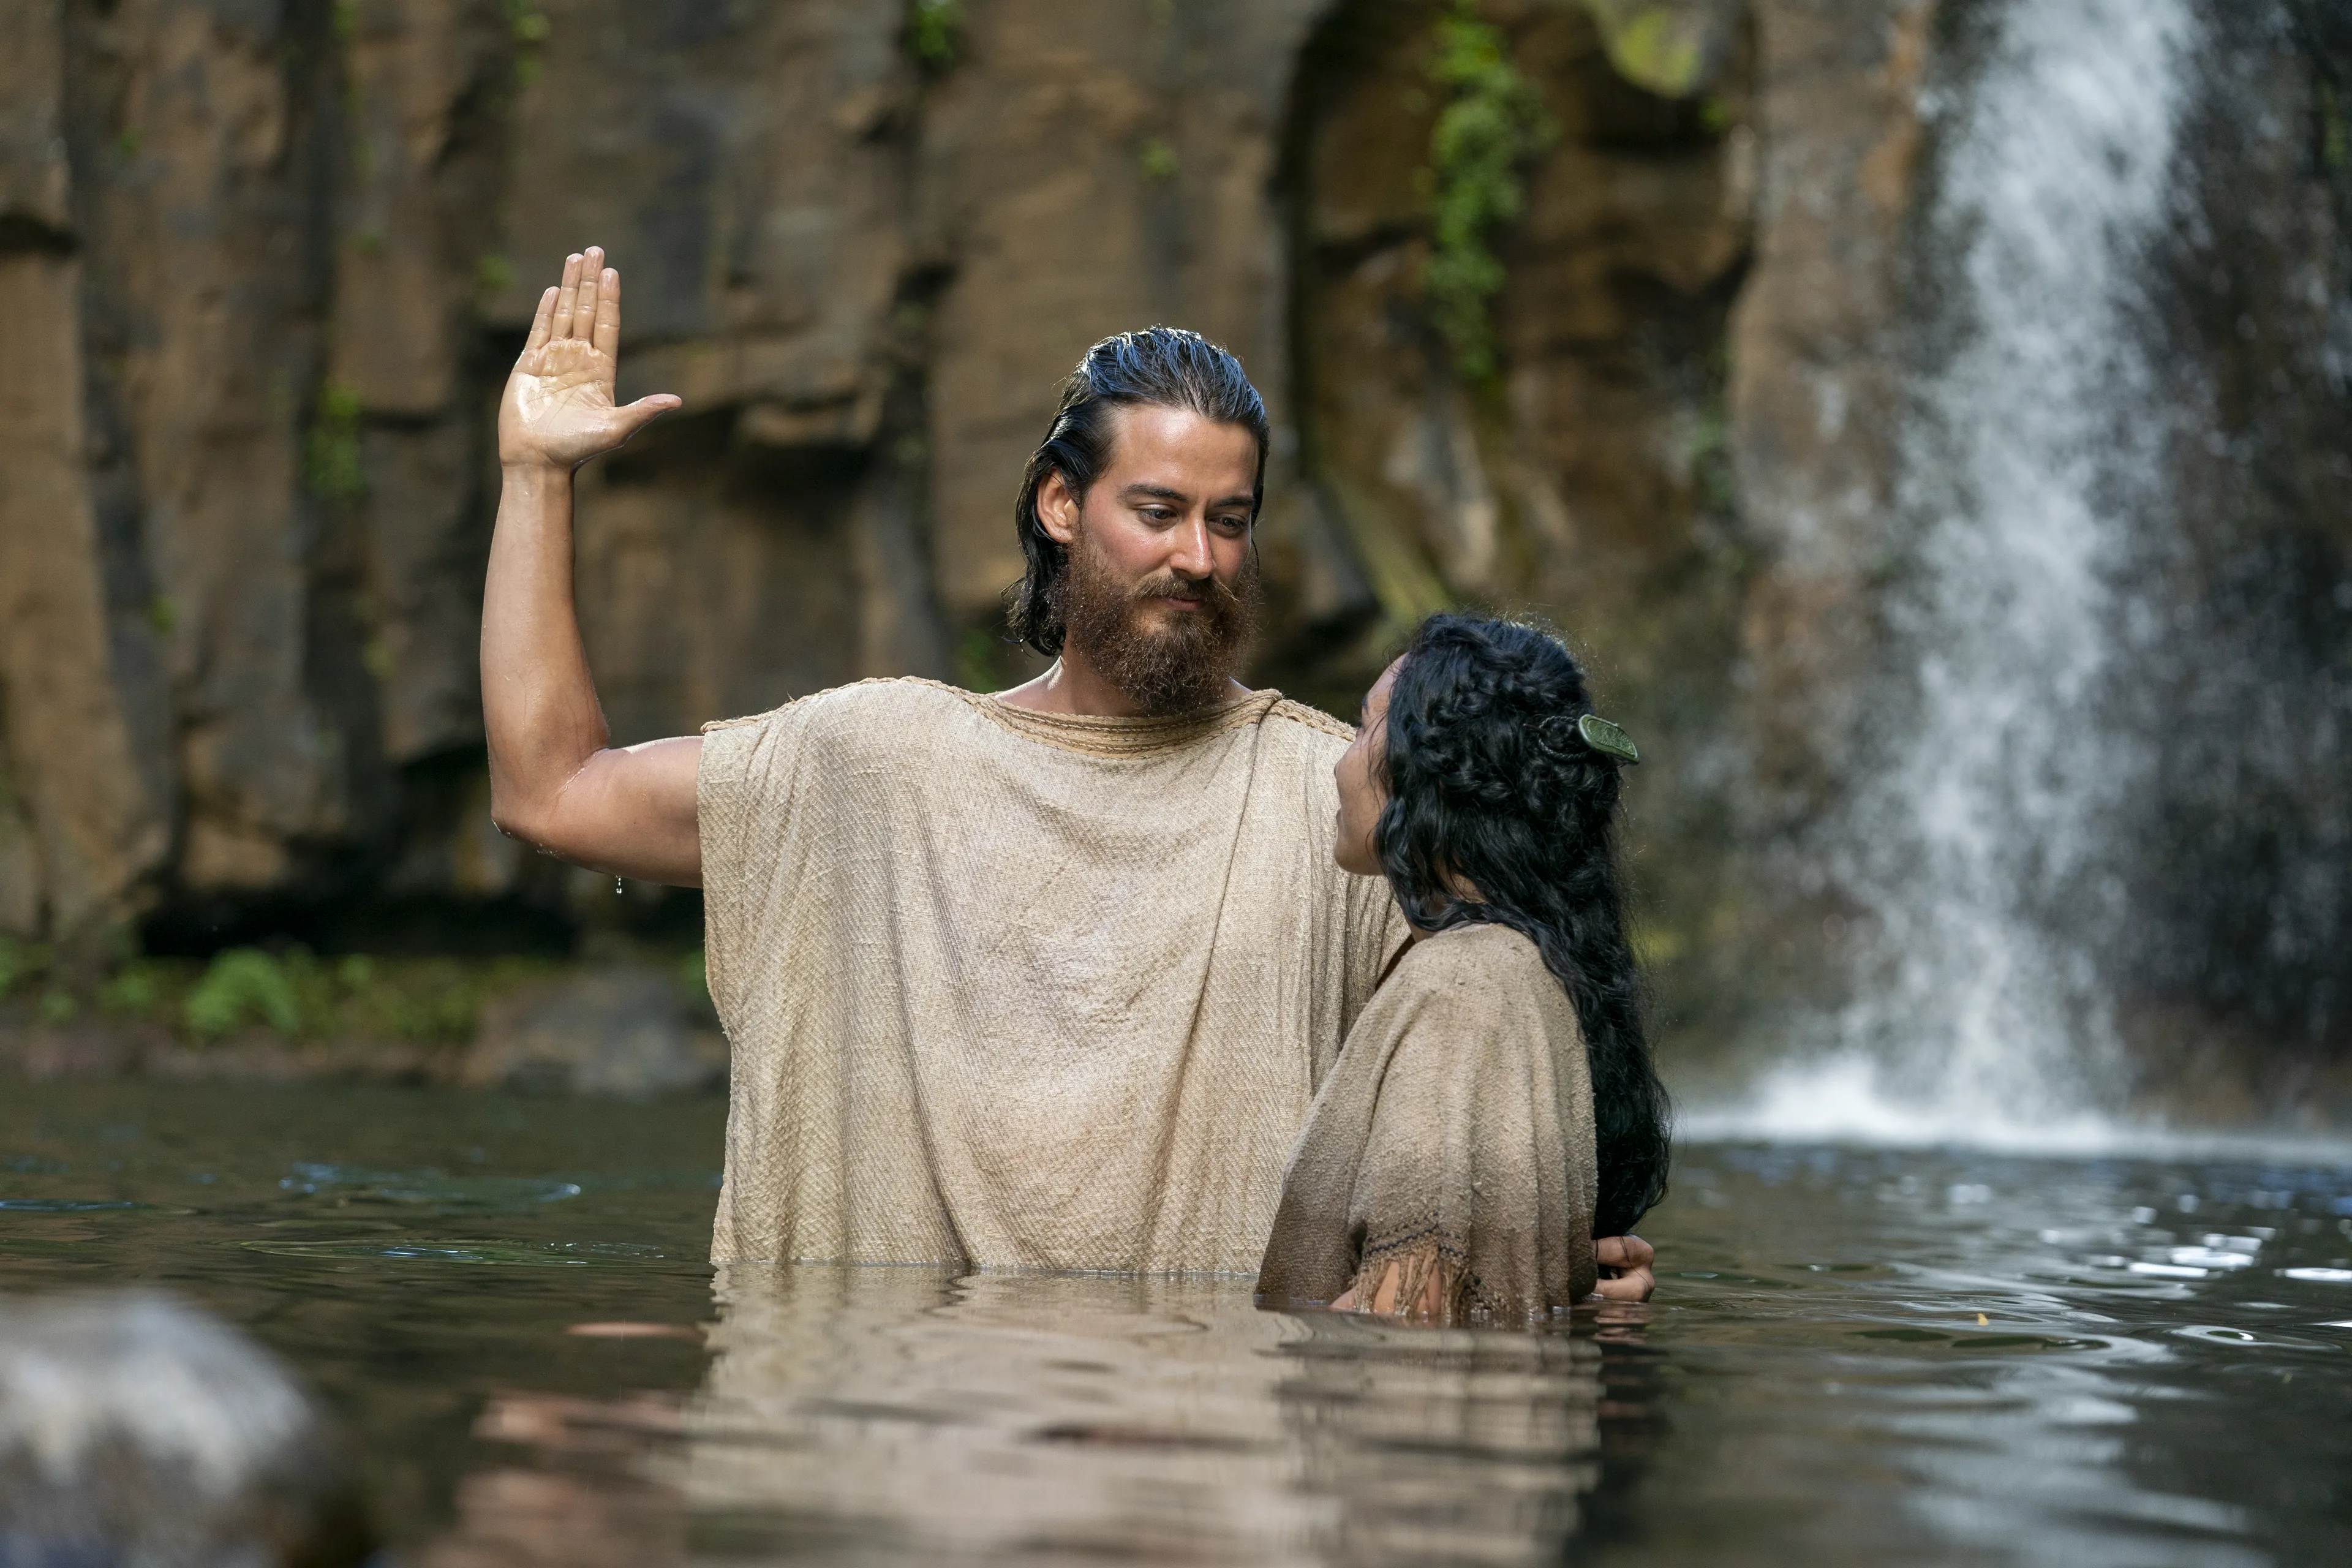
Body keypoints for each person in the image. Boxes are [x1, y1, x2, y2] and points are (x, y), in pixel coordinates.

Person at [483, 248, 1656, 1297]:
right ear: (1060, 505)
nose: (1198, 557)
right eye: (1157, 511)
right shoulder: (880, 762)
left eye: (1230, 519)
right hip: (920, 1466)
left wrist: (1538, 1252)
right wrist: (537, 478)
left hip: (1215, 1483)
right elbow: (553, 791)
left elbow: (1496, 1044)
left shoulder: (1348, 801)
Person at [1257, 617, 1672, 1324]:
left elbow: (1408, 1327)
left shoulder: (1459, 989)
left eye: (1364, 729)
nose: (1339, 763)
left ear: (1428, 770)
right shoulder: (1520, 968)